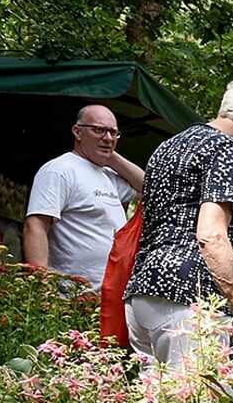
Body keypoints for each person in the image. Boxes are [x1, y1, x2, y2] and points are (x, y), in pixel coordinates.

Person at [126, 76, 233, 367]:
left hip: (142, 293)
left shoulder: (171, 145)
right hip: (189, 298)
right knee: (200, 402)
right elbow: (211, 234)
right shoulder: (230, 149)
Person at [24, 105, 145, 293]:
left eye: (113, 133)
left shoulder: (107, 175)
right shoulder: (59, 170)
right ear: (77, 132)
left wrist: (110, 157)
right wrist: (41, 286)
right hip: (70, 296)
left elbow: (150, 188)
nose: (108, 138)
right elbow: (36, 225)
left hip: (109, 294)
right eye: (99, 130)